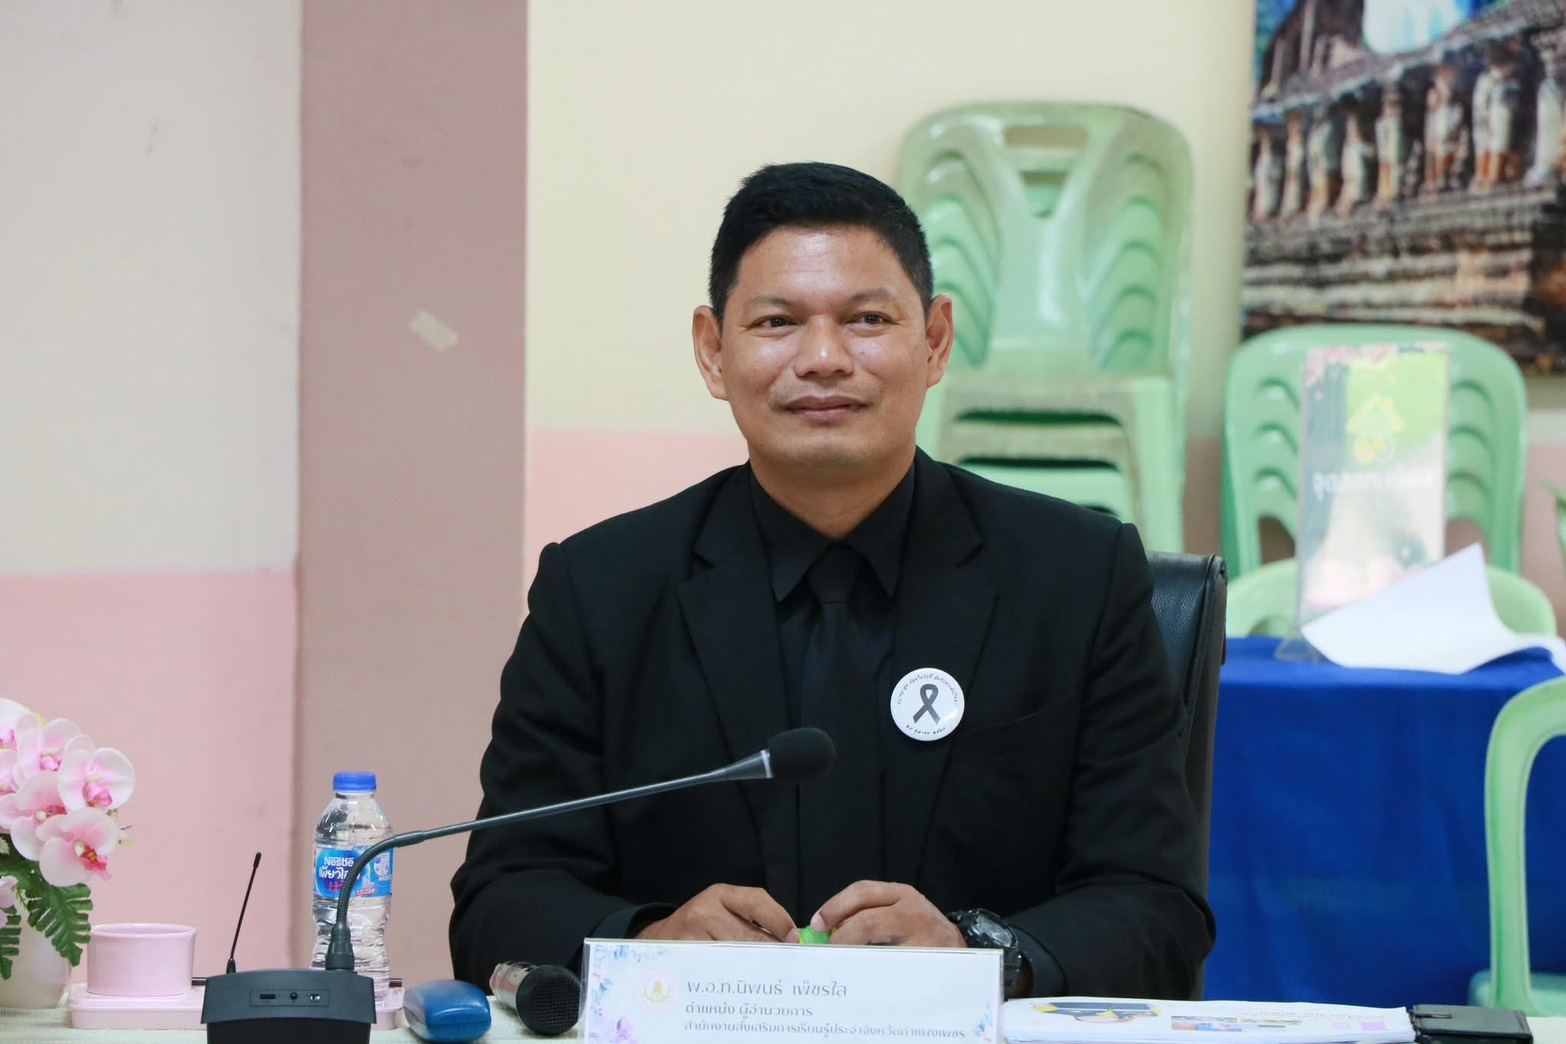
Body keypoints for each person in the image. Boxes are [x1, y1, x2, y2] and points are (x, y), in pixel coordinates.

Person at [449, 162, 1214, 1000]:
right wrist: (647, 943)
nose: (822, 360)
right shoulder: (599, 590)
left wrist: (983, 954)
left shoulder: (1077, 578)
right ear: (713, 351)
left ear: (935, 341)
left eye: (867, 320)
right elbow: (503, 898)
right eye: (777, 322)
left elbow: (1156, 904)